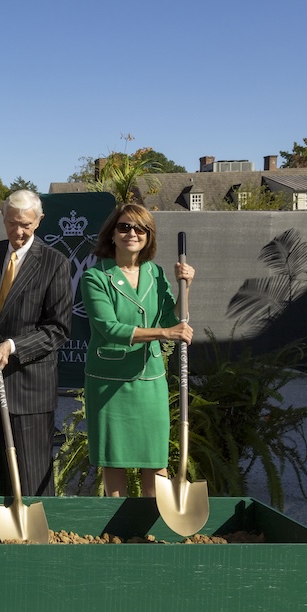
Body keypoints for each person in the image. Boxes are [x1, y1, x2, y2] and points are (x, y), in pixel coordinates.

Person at [81, 203, 194, 498]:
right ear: (112, 235)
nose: (132, 233)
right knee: (113, 461)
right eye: (124, 227)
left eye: (140, 228)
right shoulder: (95, 277)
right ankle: (119, 533)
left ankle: (154, 529)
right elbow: (109, 328)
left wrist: (186, 286)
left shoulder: (155, 273)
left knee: (155, 460)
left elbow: (174, 317)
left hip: (150, 380)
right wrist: (165, 334)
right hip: (109, 380)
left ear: (149, 236)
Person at [0, 190, 72, 497]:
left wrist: (13, 345)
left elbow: (58, 329)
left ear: (39, 221)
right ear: (3, 219)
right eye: (12, 223)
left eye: (25, 223)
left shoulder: (55, 263)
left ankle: (38, 530)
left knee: (33, 469)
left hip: (30, 384)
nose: (18, 231)